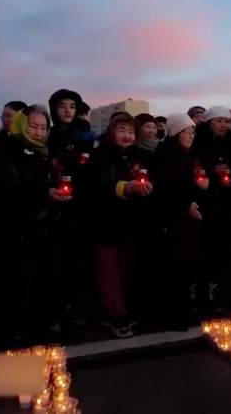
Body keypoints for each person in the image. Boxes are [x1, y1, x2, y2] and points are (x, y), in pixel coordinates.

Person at [0, 105, 60, 345]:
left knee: (42, 282)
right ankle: (15, 334)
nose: (39, 132)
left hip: (42, 228)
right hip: (16, 229)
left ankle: (38, 330)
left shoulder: (44, 152)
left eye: (43, 127)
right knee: (18, 285)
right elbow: (6, 187)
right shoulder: (6, 148)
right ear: (22, 124)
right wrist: (44, 193)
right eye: (33, 126)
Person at [82, 113, 152, 338]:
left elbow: (146, 178)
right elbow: (95, 184)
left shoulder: (138, 156)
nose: (127, 135)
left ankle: (120, 309)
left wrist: (147, 188)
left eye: (131, 131)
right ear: (112, 132)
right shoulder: (100, 154)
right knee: (108, 271)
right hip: (106, 222)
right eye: (122, 130)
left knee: (126, 268)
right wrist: (124, 187)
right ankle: (116, 315)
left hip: (130, 224)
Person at [46, 89, 96, 331]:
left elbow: (90, 166)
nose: (67, 110)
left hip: (80, 203)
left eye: (72, 106)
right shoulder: (49, 133)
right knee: (54, 262)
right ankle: (53, 311)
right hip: (54, 206)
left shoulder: (84, 135)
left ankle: (70, 307)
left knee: (75, 262)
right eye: (62, 106)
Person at [153, 114, 206, 328]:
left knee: (185, 268)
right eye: (186, 131)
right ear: (175, 132)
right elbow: (166, 189)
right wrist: (187, 205)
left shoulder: (185, 155)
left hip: (184, 219)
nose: (191, 135)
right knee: (174, 269)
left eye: (193, 131)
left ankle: (182, 311)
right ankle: (175, 316)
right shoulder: (166, 155)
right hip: (172, 221)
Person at [192, 106, 231, 310]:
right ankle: (198, 291)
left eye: (226, 121)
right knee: (201, 248)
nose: (223, 125)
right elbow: (193, 165)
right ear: (209, 122)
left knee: (220, 249)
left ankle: (214, 289)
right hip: (203, 201)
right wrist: (212, 169)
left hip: (225, 201)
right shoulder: (197, 139)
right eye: (219, 120)